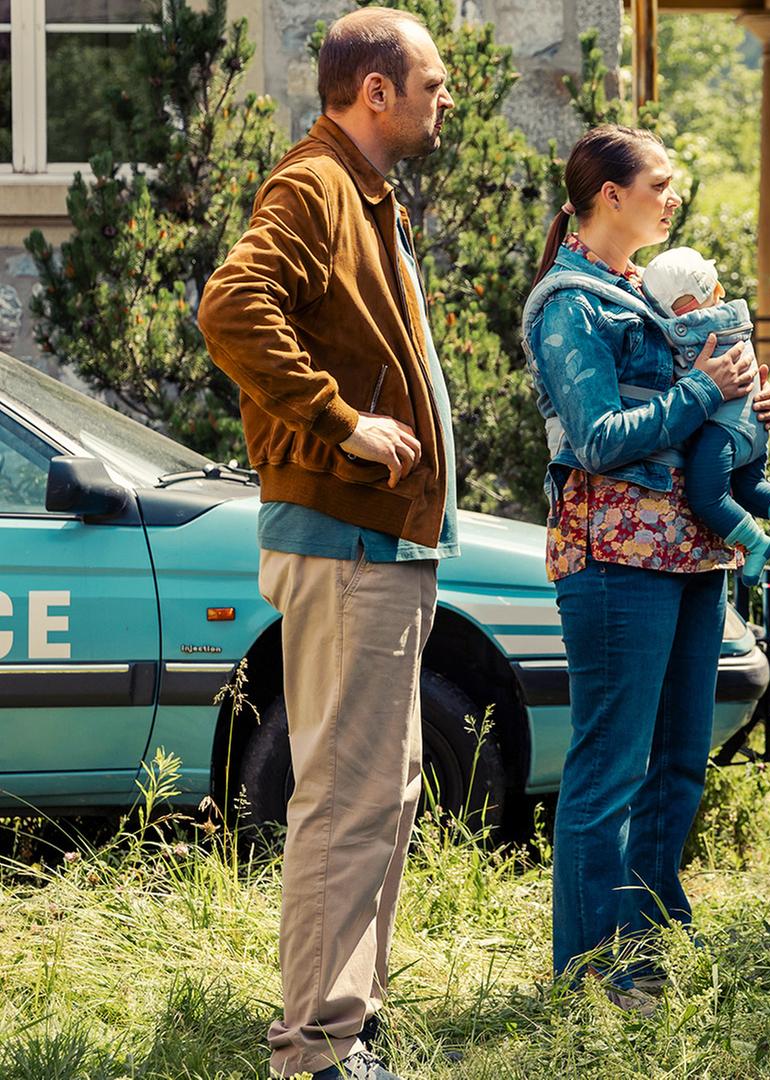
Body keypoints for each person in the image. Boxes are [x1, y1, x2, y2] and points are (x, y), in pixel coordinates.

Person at [199, 9, 455, 1078]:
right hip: (345, 541)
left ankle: (350, 1025)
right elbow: (230, 308)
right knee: (346, 802)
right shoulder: (312, 187)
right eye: (432, 82)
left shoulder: (367, 196)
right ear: (375, 93)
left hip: (379, 547)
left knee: (377, 798)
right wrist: (344, 420)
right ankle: (315, 1048)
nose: (447, 98)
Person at [521, 125, 770, 1014]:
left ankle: (651, 944)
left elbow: (688, 409)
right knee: (611, 769)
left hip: (690, 556)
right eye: (660, 184)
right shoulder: (570, 305)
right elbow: (597, 438)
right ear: (609, 197)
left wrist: (743, 403)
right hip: (615, 557)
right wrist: (705, 389)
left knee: (677, 762)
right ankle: (590, 975)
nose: (674, 198)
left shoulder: (649, 292)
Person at [637, 246, 770, 583]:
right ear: (717, 288)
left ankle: (755, 543)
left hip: (722, 430)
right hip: (754, 426)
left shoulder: (688, 331)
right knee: (748, 486)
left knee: (707, 496)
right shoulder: (734, 318)